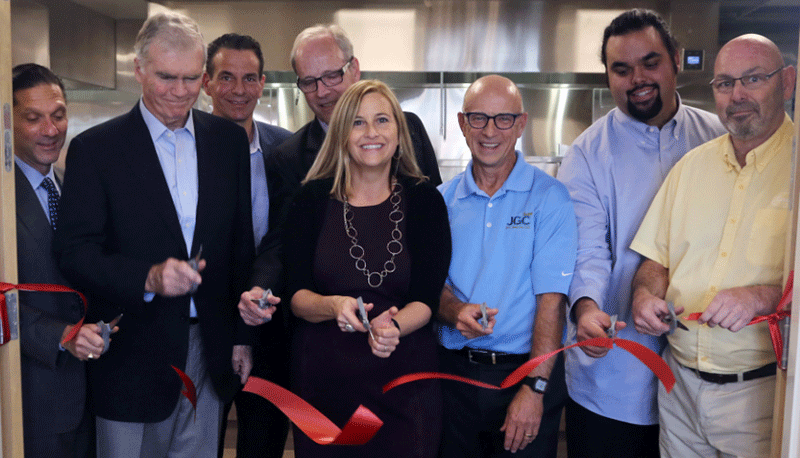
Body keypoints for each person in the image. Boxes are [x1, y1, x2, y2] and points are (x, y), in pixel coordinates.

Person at [53, 12, 255, 458]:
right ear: (138, 69)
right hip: (129, 358)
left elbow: (240, 246)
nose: (180, 92)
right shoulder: (96, 150)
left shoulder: (227, 142)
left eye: (190, 78)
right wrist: (148, 277)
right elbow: (75, 252)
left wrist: (241, 334)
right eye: (166, 77)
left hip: (209, 350)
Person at [556, 9, 726, 458]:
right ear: (608, 75)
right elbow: (587, 249)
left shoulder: (717, 138)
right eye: (622, 69)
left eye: (650, 63)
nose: (638, 79)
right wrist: (586, 309)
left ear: (673, 60)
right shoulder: (586, 155)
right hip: (612, 379)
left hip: (701, 380)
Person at [630, 33, 796, 458]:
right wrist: (645, 295)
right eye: (724, 83)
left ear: (788, 82)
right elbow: (655, 261)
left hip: (762, 393)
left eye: (753, 78)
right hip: (679, 387)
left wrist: (762, 297)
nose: (737, 94)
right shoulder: (690, 168)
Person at [280, 79, 450, 458]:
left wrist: (393, 328)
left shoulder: (426, 201)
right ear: (341, 134)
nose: (371, 133)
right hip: (324, 383)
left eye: (382, 120)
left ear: (398, 132)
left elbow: (426, 297)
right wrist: (332, 306)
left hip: (404, 381)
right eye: (357, 123)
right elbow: (296, 295)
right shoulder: (309, 200)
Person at [436, 75, 576, 458]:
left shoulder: (551, 199)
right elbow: (431, 289)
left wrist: (535, 389)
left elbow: (552, 301)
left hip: (523, 376)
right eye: (479, 118)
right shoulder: (440, 202)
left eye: (503, 119)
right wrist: (454, 311)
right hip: (453, 378)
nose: (490, 131)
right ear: (463, 124)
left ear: (520, 124)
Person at [202, 32, 292, 458]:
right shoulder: (188, 150)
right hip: (207, 328)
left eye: (249, 78)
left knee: (263, 445)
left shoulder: (286, 148)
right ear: (206, 82)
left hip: (272, 326)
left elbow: (289, 235)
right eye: (226, 77)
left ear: (262, 83)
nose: (238, 90)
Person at [267, 24, 441, 232]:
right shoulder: (288, 158)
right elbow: (282, 245)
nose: (322, 92)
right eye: (309, 81)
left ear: (355, 69)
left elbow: (437, 214)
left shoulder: (409, 130)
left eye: (331, 76)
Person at [13, 63, 102, 458]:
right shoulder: (2, 198)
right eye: (33, 119)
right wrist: (58, 335)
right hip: (31, 401)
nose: (51, 130)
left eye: (59, 115)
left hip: (90, 397)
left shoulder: (72, 184)